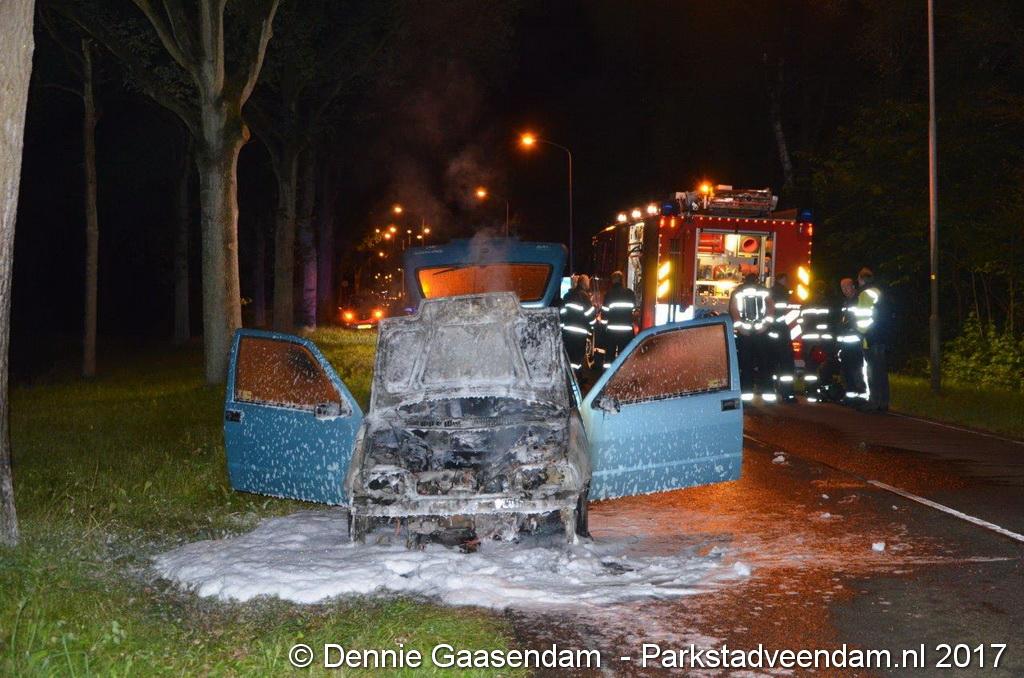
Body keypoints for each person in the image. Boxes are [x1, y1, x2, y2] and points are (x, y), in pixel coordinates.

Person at [730, 273, 775, 402]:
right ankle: (768, 393)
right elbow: (771, 309)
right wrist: (765, 326)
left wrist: (740, 328)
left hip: (745, 335)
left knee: (746, 365)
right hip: (761, 333)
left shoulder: (738, 292)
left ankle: (746, 395)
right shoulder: (764, 291)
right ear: (756, 280)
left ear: (745, 280)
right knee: (765, 364)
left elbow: (733, 310)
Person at [855, 267, 890, 412]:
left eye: (858, 279)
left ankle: (874, 402)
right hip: (881, 336)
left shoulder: (864, 294)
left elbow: (863, 319)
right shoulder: (878, 292)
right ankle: (883, 402)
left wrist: (860, 332)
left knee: (872, 372)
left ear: (862, 279)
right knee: (881, 372)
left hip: (870, 338)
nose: (857, 281)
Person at [598, 270, 637, 369]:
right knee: (623, 355)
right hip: (626, 332)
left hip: (612, 332)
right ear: (622, 280)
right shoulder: (630, 293)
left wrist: (603, 328)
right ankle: (622, 374)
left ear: (613, 281)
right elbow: (634, 310)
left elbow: (604, 314)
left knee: (609, 356)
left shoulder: (609, 294)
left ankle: (608, 374)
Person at [769, 272, 797, 402]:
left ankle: (771, 390)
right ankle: (787, 394)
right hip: (782, 332)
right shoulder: (784, 292)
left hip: (771, 333)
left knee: (771, 363)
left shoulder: (770, 292)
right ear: (783, 280)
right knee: (786, 364)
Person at [837, 277, 865, 402]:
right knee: (846, 369)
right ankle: (850, 396)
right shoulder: (846, 302)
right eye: (842, 287)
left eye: (846, 287)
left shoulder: (858, 300)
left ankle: (860, 395)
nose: (844, 290)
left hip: (856, 343)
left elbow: (857, 321)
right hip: (846, 343)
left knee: (857, 369)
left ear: (853, 286)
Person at [560, 274, 595, 372]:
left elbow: (562, 313)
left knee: (568, 356)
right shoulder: (584, 297)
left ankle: (568, 376)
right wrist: (593, 326)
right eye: (588, 283)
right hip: (579, 334)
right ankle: (576, 376)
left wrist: (562, 328)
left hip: (567, 332)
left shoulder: (567, 296)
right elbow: (590, 315)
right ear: (584, 284)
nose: (588, 285)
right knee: (577, 357)